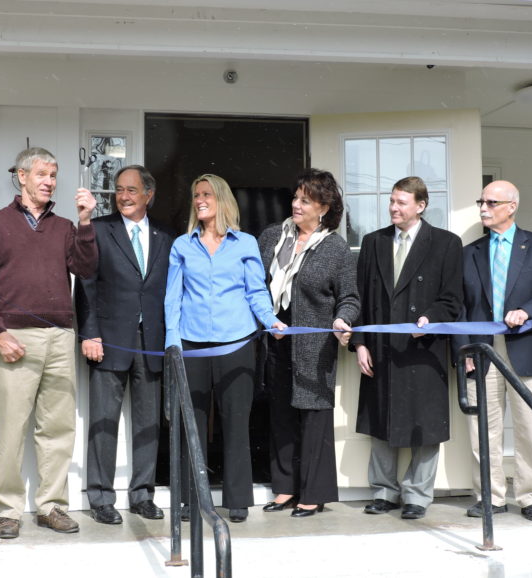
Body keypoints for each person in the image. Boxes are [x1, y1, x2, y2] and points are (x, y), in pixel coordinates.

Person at [0, 147, 97, 539]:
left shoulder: (63, 227)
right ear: (21, 176)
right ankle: (8, 510)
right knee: (10, 427)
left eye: (53, 175)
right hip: (13, 338)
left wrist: (86, 221)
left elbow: (86, 268)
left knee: (58, 427)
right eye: (41, 173)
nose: (48, 181)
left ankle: (52, 506)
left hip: (60, 336)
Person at [164, 174, 286, 523]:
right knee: (193, 424)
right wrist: (173, 342)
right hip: (192, 346)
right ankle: (190, 498)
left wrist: (270, 320)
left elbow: (256, 292)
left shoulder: (245, 243)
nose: (199, 200)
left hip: (236, 345)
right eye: (195, 195)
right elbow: (173, 299)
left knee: (236, 423)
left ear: (221, 199)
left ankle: (237, 499)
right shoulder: (182, 246)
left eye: (206, 194)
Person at [456, 180, 532, 522]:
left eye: (491, 202)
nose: (483, 208)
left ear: (512, 207)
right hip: (482, 353)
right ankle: (489, 496)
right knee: (482, 430)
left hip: (530, 350)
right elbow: (459, 307)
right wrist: (464, 352)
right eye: (481, 202)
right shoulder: (469, 253)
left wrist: (529, 311)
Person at [351, 176, 463, 520]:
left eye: (401, 202)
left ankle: (417, 495)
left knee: (425, 426)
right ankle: (384, 491)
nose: (393, 208)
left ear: (421, 205)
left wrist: (429, 318)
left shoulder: (446, 243)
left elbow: (453, 299)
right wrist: (359, 343)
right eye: (391, 201)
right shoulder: (373, 242)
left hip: (423, 350)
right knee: (380, 421)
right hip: (381, 349)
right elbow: (361, 299)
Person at [258, 169, 359, 517]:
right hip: (274, 341)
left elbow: (350, 297)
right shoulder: (272, 237)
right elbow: (256, 285)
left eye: (305, 200)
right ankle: (284, 488)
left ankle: (313, 494)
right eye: (296, 197)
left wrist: (343, 319)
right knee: (280, 416)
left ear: (324, 207)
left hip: (314, 347)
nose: (296, 205)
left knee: (313, 418)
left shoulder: (336, 248)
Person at [75, 165, 173, 525]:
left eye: (132, 190)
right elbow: (85, 284)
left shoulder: (166, 235)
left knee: (148, 423)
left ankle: (142, 494)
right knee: (103, 421)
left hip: (151, 343)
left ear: (149, 194)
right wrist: (90, 333)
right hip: (108, 340)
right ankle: (100, 497)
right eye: (119, 190)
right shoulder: (99, 230)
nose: (124, 196)